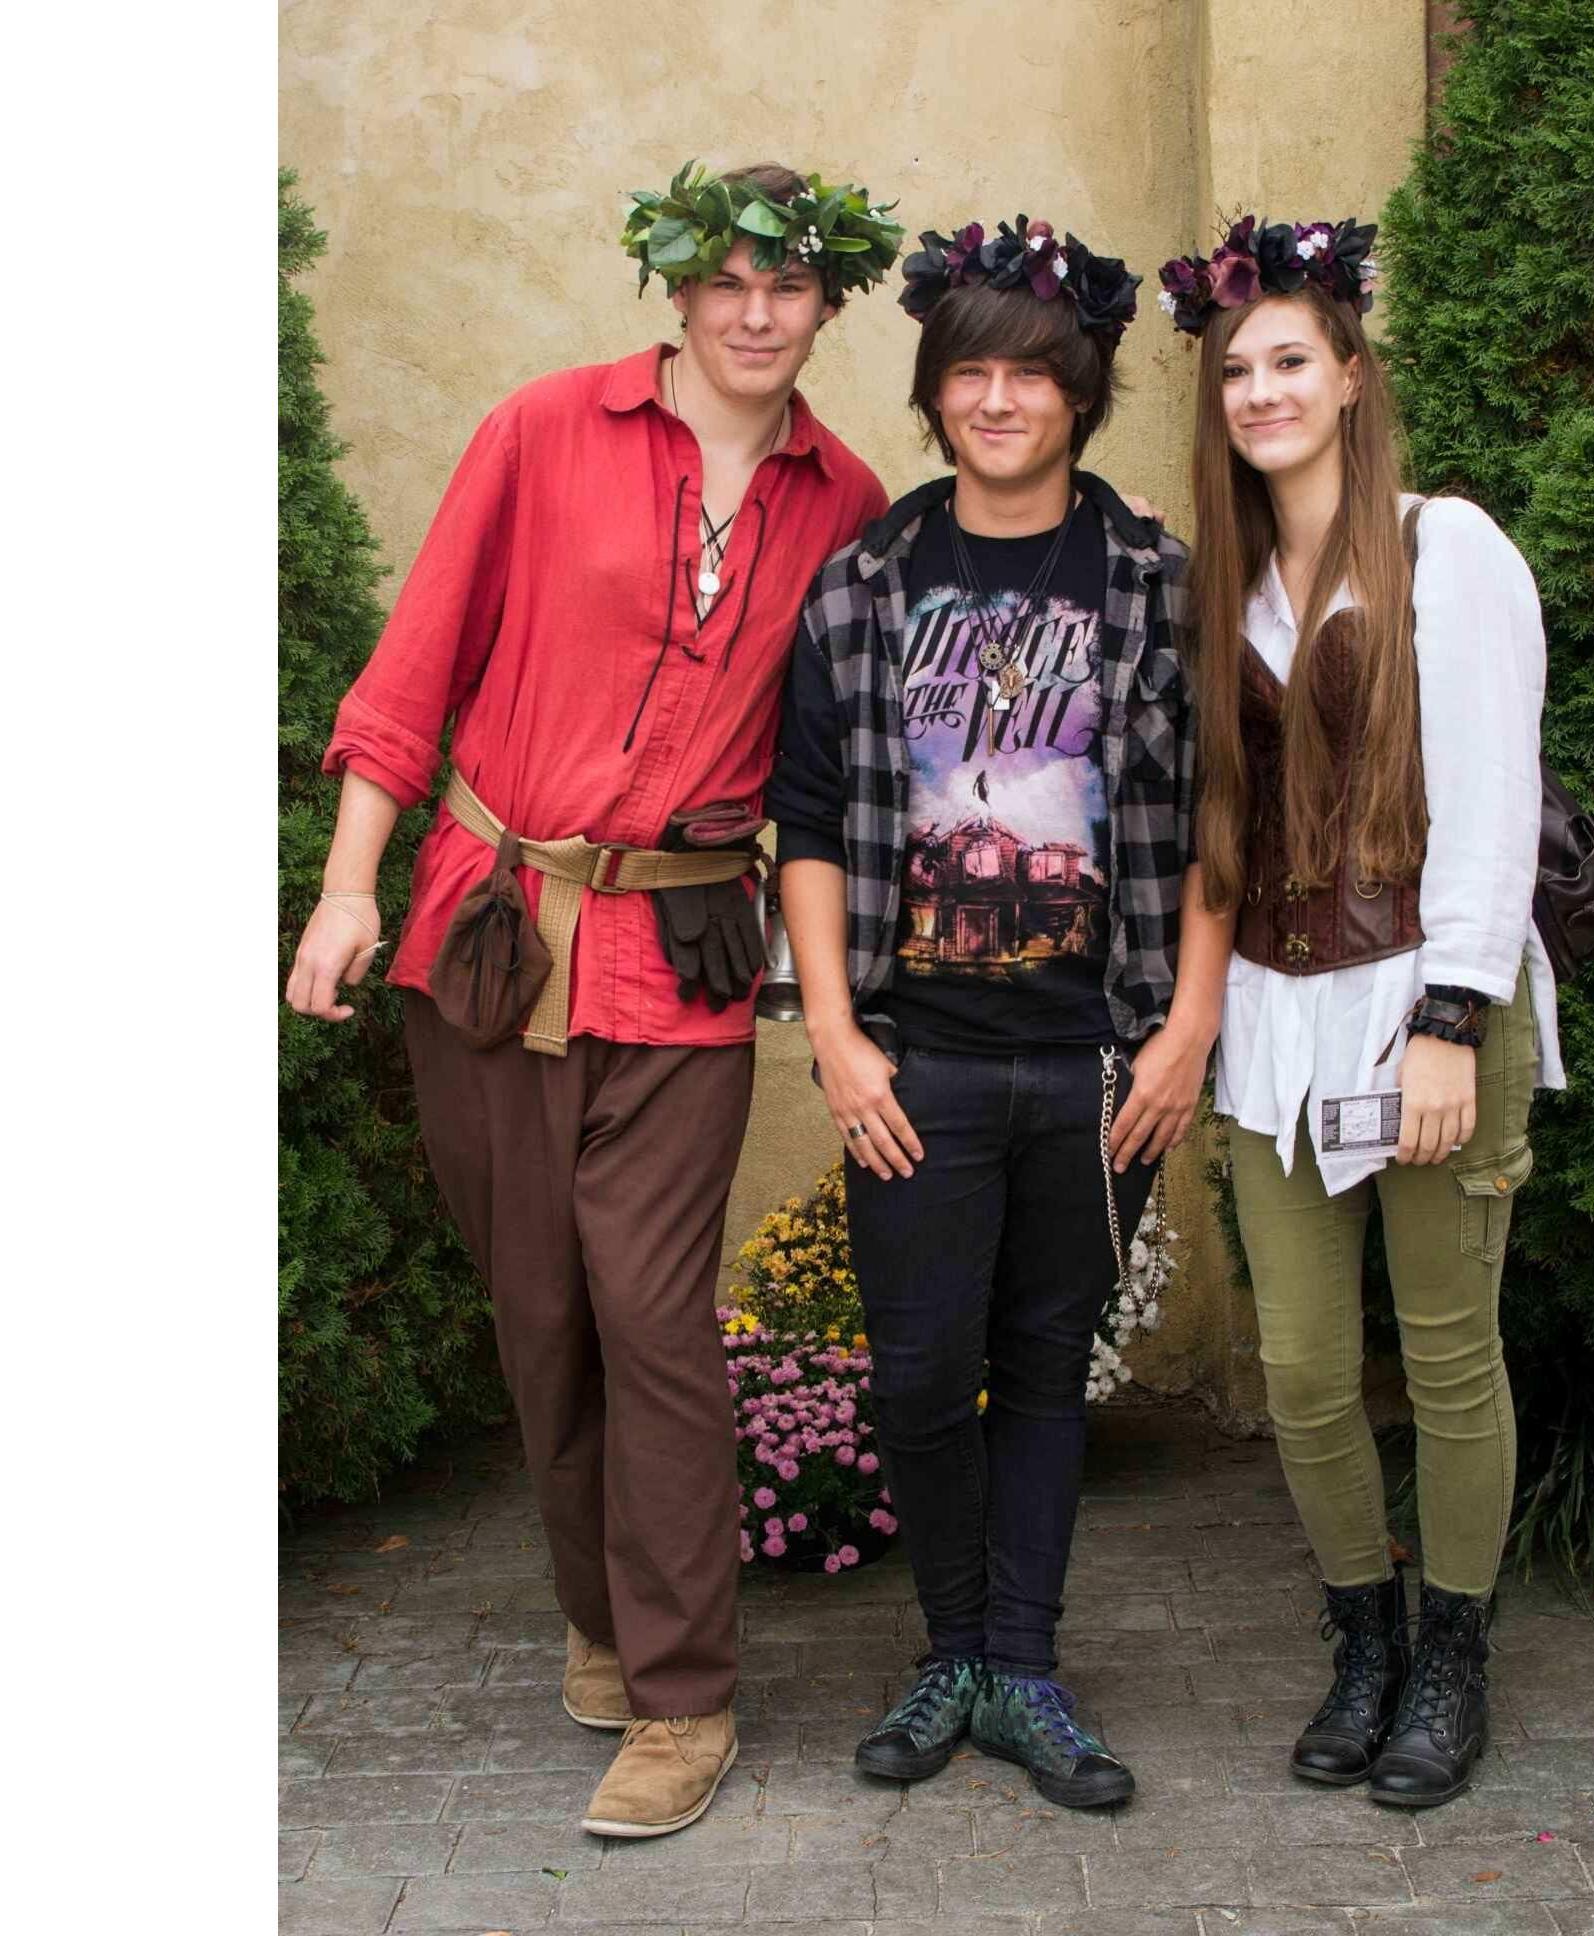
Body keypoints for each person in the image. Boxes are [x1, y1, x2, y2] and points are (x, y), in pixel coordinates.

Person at [283, 160, 902, 1838]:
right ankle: (599, 1618)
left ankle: (686, 1693)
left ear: (825, 305)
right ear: (679, 294)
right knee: (540, 1320)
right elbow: (417, 664)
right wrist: (349, 884)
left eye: (790, 287)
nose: (758, 312)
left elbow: (849, 760)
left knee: (653, 1319)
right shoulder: (543, 430)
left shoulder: (845, 502)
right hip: (485, 932)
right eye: (729, 282)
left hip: (683, 960)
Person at [766, 215, 1228, 1810]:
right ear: (934, 395)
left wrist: (1186, 1033)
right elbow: (810, 823)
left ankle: (1021, 1667)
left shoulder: (1156, 582)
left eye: (1028, 375)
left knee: (1044, 1368)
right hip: (919, 1065)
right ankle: (948, 1648)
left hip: (1099, 1059)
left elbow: (1218, 820)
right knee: (914, 1372)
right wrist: (834, 1032)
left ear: (1078, 393)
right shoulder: (866, 586)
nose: (996, 401)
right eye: (966, 374)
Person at [1160, 214, 1565, 1807]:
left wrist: (1454, 1019)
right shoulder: (1225, 590)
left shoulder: (1445, 547)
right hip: (1276, 1019)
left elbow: (1488, 796)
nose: (1260, 391)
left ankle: (1452, 1662)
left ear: (1347, 373)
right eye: (1235, 370)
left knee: (1452, 1357)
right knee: (1309, 1368)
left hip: (1425, 997)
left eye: (1287, 361)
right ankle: (1363, 1644)